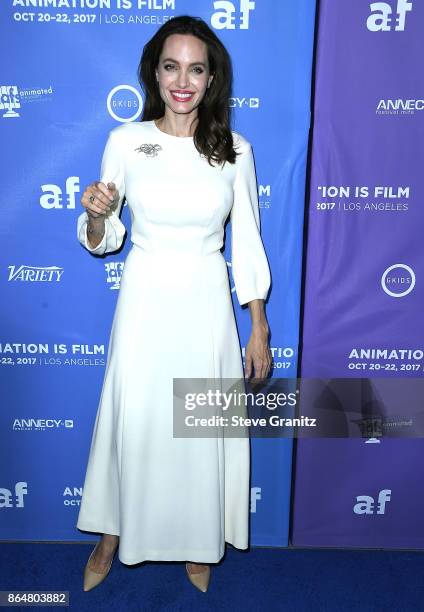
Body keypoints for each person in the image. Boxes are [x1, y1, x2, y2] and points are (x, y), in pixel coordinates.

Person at [76, 15, 272, 593]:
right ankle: (113, 533)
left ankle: (197, 538)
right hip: (144, 298)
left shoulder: (235, 150)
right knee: (132, 419)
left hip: (206, 301)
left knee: (198, 427)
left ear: (211, 79)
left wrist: (257, 324)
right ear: (155, 74)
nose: (182, 80)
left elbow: (249, 243)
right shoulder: (126, 142)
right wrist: (94, 212)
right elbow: (105, 237)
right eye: (171, 66)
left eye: (195, 68)